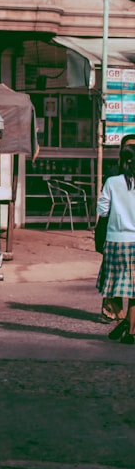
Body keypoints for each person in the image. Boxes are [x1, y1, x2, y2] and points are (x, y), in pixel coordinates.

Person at [97, 145, 135, 344]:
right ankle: (130, 330)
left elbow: (102, 210)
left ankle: (123, 321)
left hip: (116, 241)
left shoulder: (112, 182)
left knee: (111, 287)